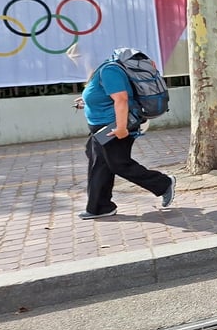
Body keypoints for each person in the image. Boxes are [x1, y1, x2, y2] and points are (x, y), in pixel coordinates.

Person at [75, 48, 176, 219]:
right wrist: (87, 101)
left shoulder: (110, 70)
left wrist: (121, 128)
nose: (79, 62)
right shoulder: (104, 70)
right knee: (99, 162)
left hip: (113, 126)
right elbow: (107, 96)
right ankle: (100, 207)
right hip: (104, 126)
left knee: (118, 163)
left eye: (80, 58)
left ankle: (164, 183)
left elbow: (121, 99)